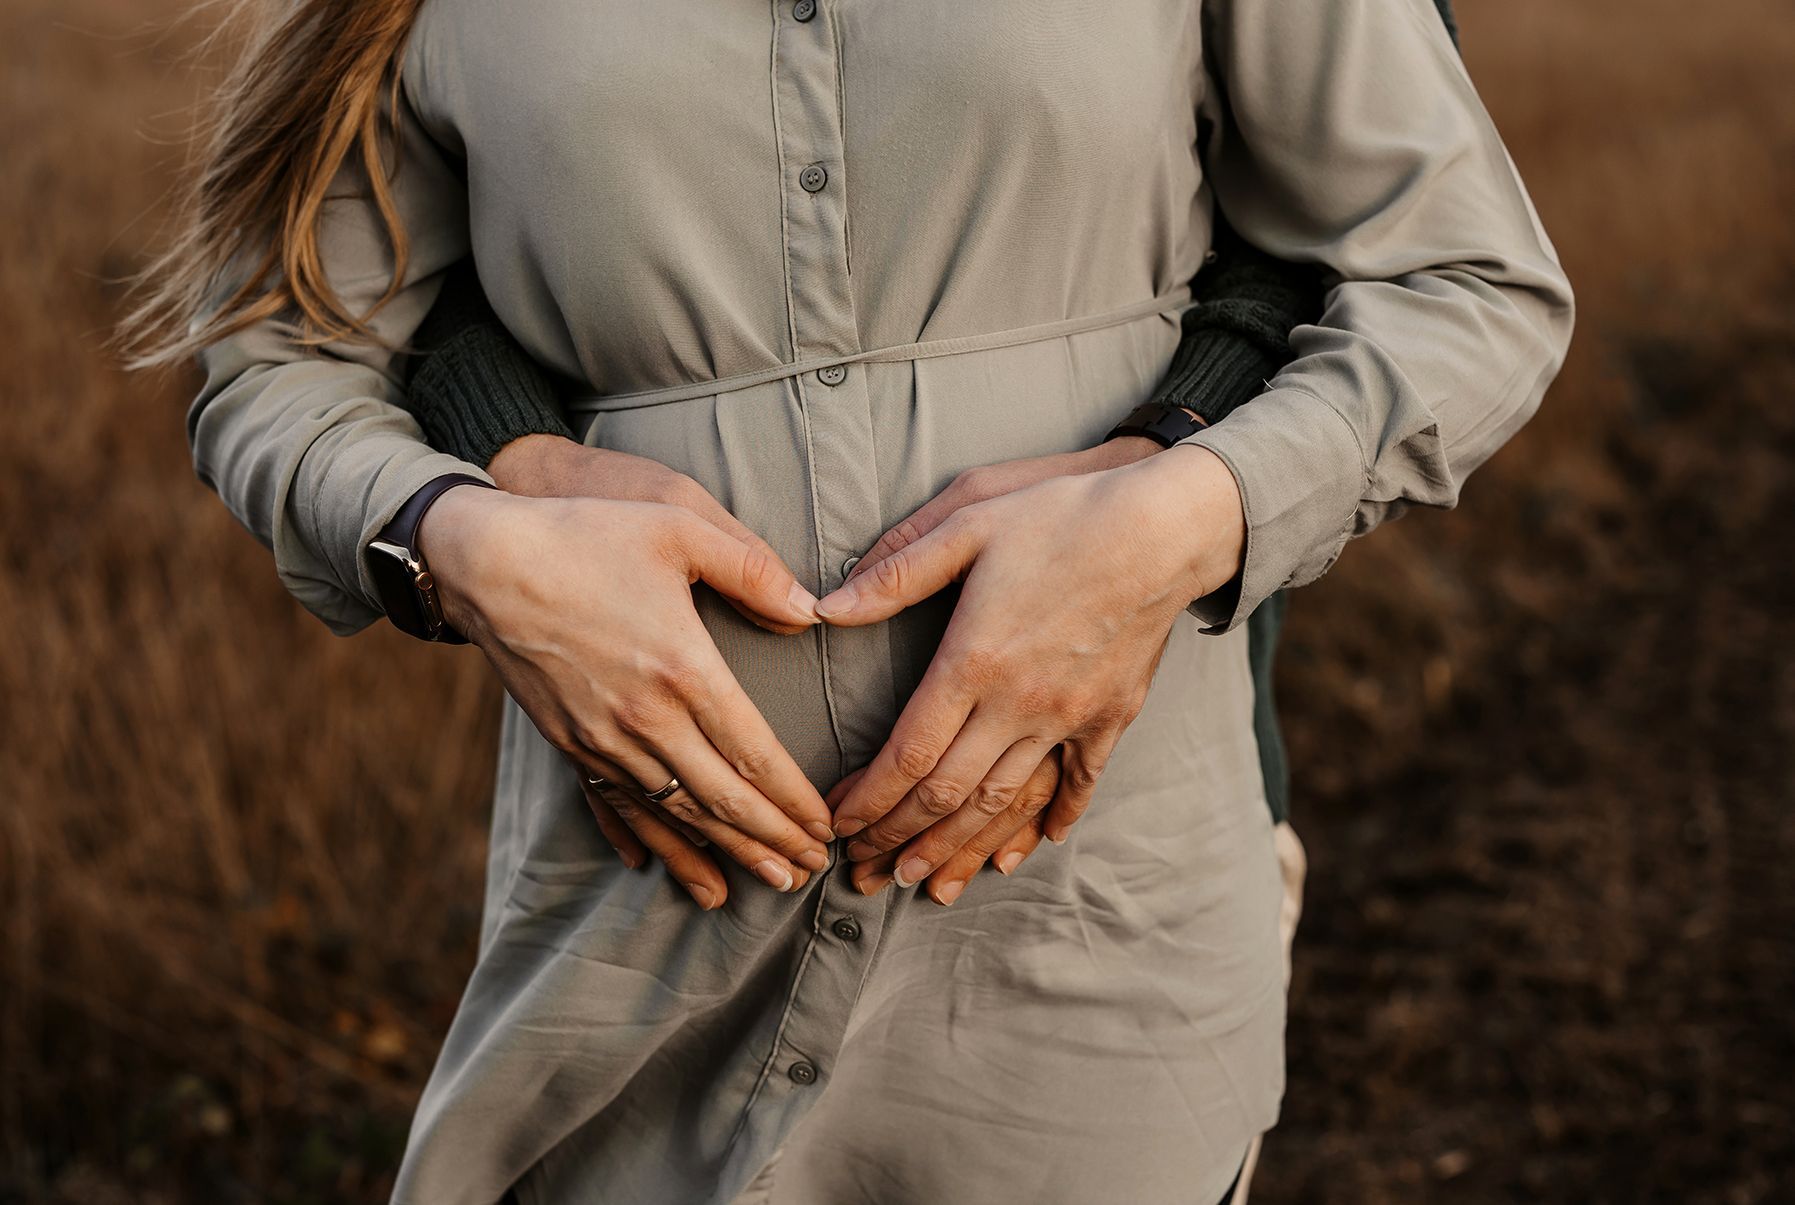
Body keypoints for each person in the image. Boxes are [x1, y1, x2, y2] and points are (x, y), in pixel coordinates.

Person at [127, 1, 1570, 1201]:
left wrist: (1177, 511)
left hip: (1082, 938)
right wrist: (459, 540)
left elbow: (1459, 279)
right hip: (639, 958)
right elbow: (283, 349)